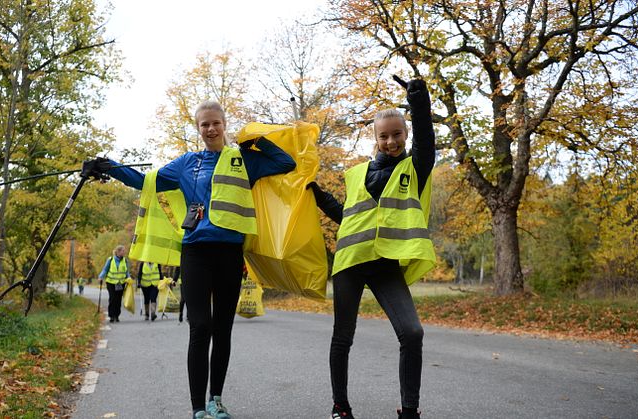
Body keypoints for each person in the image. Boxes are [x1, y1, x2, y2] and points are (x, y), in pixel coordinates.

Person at [83, 100, 296, 419]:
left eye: (216, 123)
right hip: (195, 252)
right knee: (200, 326)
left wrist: (256, 141)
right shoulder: (187, 163)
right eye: (204, 125)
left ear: (225, 125)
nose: (210, 129)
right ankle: (198, 407)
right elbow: (146, 181)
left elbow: (286, 163)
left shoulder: (244, 160)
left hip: (229, 252)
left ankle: (216, 399)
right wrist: (109, 166)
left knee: (223, 329)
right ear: (198, 129)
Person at [308, 77, 436, 419]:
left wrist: (419, 101)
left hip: (386, 265)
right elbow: (347, 216)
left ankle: (410, 409)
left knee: (412, 332)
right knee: (342, 337)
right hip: (350, 262)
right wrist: (319, 197)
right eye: (384, 135)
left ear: (405, 135)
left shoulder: (415, 168)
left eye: (397, 134)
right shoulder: (355, 174)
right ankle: (340, 407)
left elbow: (427, 139)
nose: (391, 140)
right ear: (375, 138)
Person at [98, 245, 131, 323]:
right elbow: (105, 269)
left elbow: (126, 272)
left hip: (121, 283)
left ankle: (117, 315)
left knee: (118, 300)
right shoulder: (111, 259)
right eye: (123, 251)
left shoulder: (125, 260)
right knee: (112, 299)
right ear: (118, 251)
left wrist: (129, 278)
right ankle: (111, 315)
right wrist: (100, 277)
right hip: (111, 283)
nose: (124, 252)